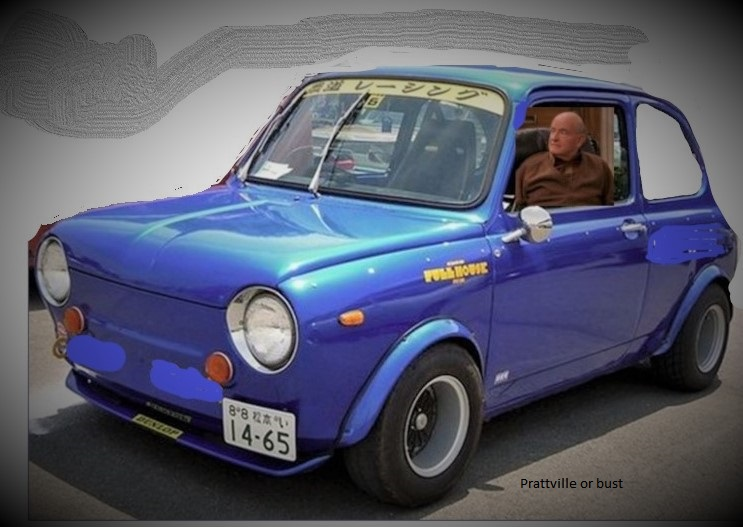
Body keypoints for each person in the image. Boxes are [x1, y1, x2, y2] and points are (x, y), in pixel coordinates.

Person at [513, 111, 614, 210]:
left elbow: (611, 209)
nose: (554, 138)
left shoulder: (599, 166)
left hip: (588, 219)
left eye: (563, 132)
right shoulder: (529, 167)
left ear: (579, 140)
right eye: (553, 131)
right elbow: (517, 211)